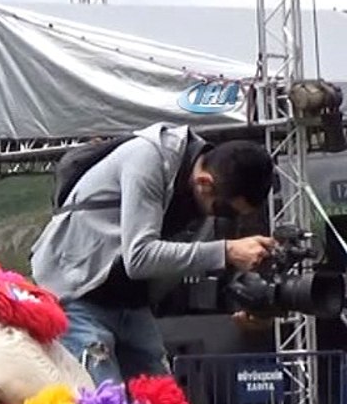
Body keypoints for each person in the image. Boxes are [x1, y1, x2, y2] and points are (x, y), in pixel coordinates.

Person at [30, 122, 276, 385]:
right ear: (205, 183)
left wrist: (247, 301)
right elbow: (139, 257)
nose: (226, 217)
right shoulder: (147, 160)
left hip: (130, 302)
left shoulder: (207, 181)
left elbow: (208, 258)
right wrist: (227, 250)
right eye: (226, 211)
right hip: (75, 292)